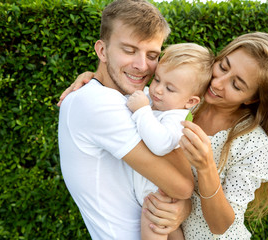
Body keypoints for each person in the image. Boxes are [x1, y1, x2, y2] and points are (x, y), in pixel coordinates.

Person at [59, 32, 268, 239]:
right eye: (223, 66)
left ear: (252, 98)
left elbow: (221, 226)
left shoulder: (253, 145)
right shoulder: (181, 99)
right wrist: (94, 79)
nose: (218, 82)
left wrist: (205, 168)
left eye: (237, 85)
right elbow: (130, 94)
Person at [58, 0, 194, 239]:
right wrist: (183, 203)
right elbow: (181, 186)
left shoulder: (135, 99)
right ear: (102, 51)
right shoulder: (95, 103)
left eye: (152, 55)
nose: (142, 66)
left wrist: (182, 209)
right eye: (129, 50)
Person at [127, 43, 214, 240]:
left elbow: (160, 144)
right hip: (152, 189)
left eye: (169, 88)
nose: (157, 89)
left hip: (161, 194)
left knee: (154, 229)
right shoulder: (159, 102)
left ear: (190, 102)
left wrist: (141, 111)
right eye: (157, 79)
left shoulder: (177, 117)